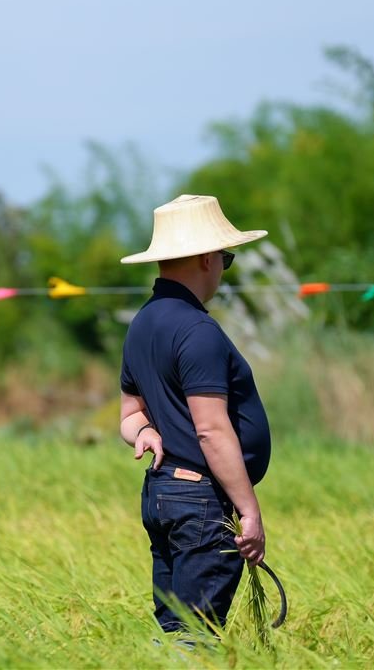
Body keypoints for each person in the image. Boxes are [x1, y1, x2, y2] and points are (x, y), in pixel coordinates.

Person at [118, 193, 272, 635]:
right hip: (200, 501)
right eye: (226, 258)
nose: (223, 267)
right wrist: (248, 510)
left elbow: (129, 415)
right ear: (207, 258)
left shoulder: (143, 323)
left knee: (176, 630)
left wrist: (143, 431)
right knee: (196, 637)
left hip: (164, 495)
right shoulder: (197, 330)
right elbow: (211, 430)